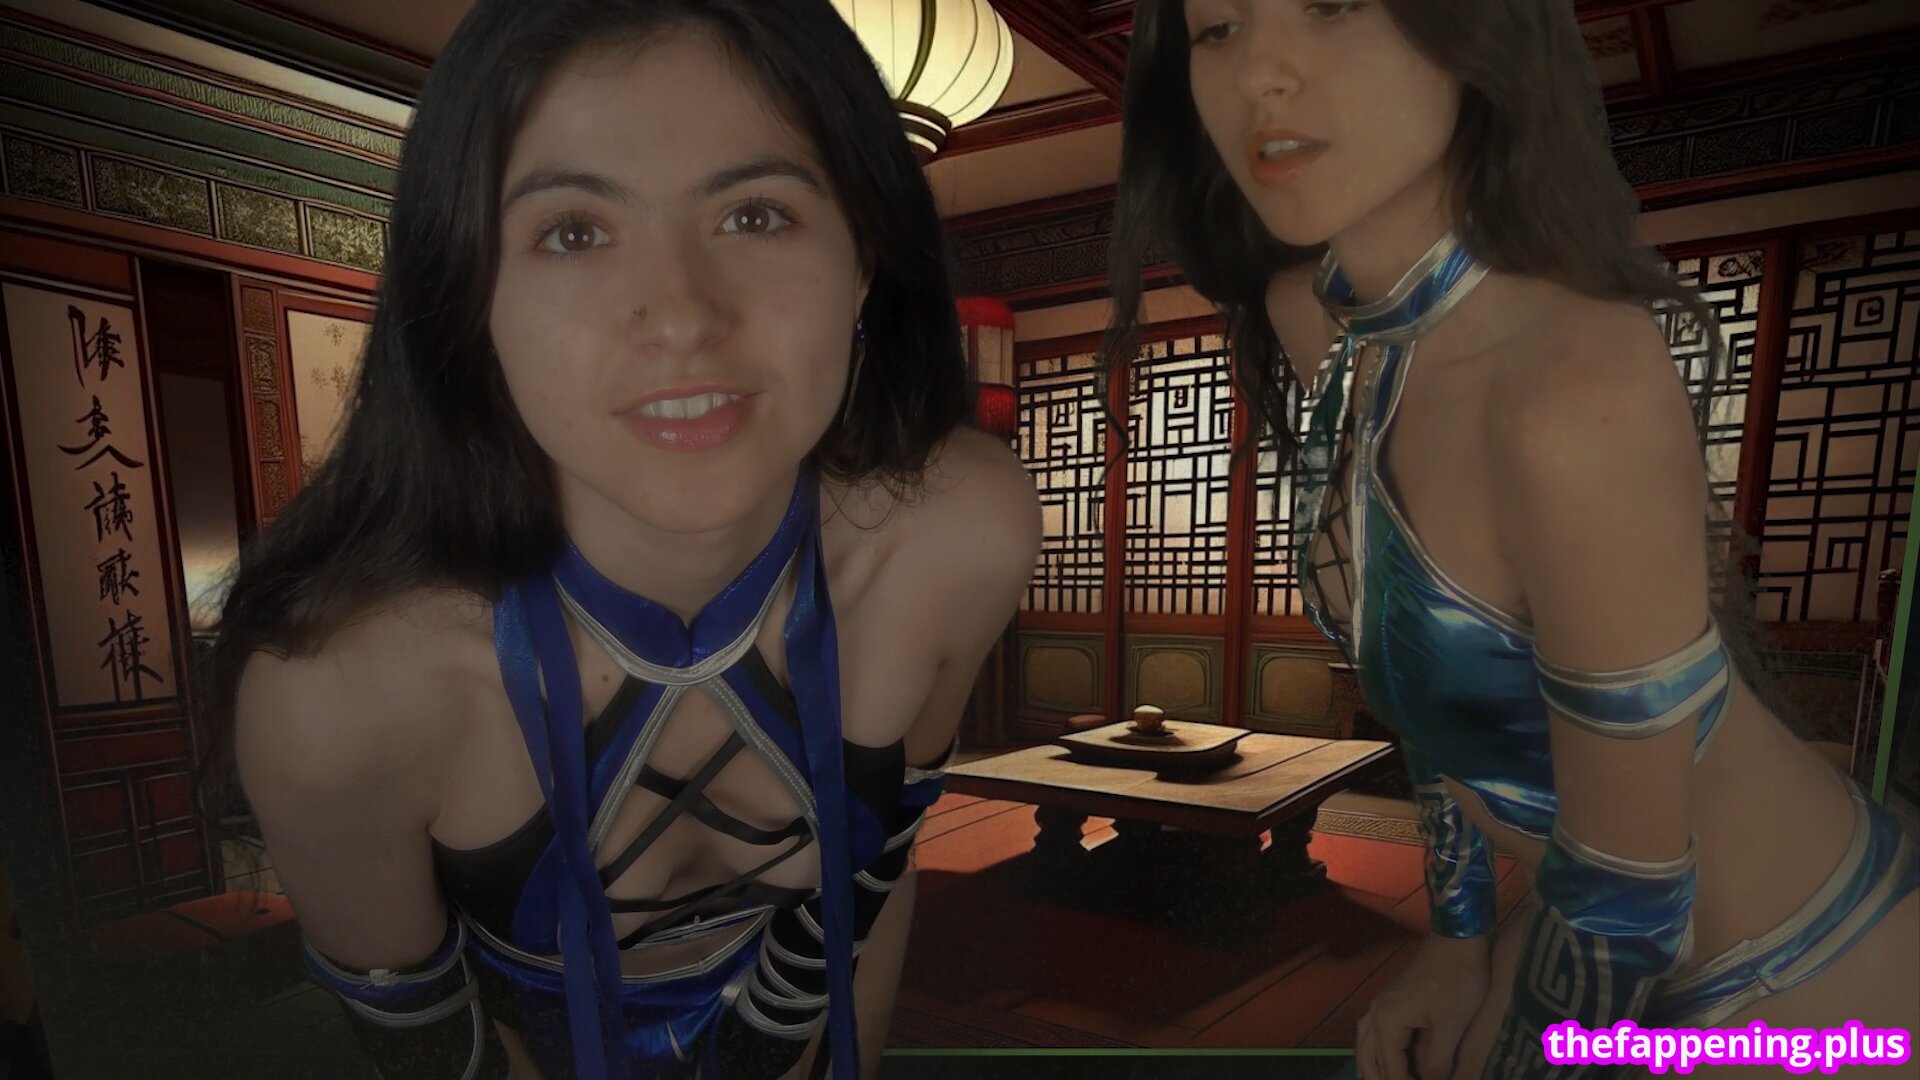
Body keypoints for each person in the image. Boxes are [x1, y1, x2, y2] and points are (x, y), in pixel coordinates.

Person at [201, 2, 1040, 1077]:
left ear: (863, 258)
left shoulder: (955, 538)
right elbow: (434, 1052)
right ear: (469, 294)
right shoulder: (337, 698)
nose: (682, 317)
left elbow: (869, 897)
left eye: (755, 215)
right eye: (575, 233)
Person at [1102, 2, 1919, 1077]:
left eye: (1333, 3)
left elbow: (1632, 889)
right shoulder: (1324, 324)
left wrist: (1520, 1034)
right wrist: (1457, 945)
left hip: (1802, 974)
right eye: (1217, 29)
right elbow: (1434, 708)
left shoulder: (1576, 385)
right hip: (1577, 925)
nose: (1261, 72)